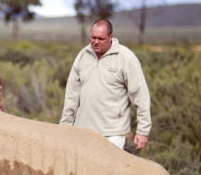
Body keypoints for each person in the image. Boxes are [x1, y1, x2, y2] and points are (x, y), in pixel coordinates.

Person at [60, 19, 151, 150]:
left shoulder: (126, 57)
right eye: (93, 37)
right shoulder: (83, 55)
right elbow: (71, 95)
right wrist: (65, 126)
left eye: (101, 38)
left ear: (111, 37)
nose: (95, 42)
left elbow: (140, 95)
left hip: (112, 134)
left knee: (106, 170)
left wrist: (143, 131)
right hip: (82, 131)